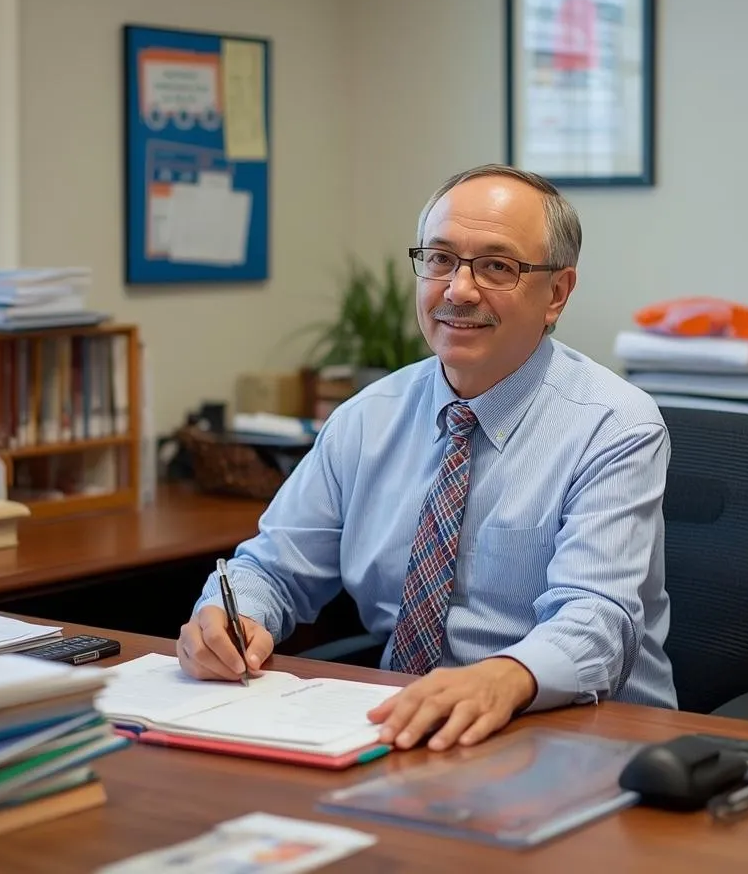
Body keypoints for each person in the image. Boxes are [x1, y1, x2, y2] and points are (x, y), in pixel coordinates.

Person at [178, 163, 675, 751]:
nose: (458, 291)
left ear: (557, 294)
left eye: (497, 266)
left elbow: (596, 622)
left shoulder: (613, 426)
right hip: (405, 732)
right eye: (439, 260)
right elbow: (272, 567)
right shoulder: (367, 418)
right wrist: (229, 616)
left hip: (586, 740)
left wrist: (505, 678)